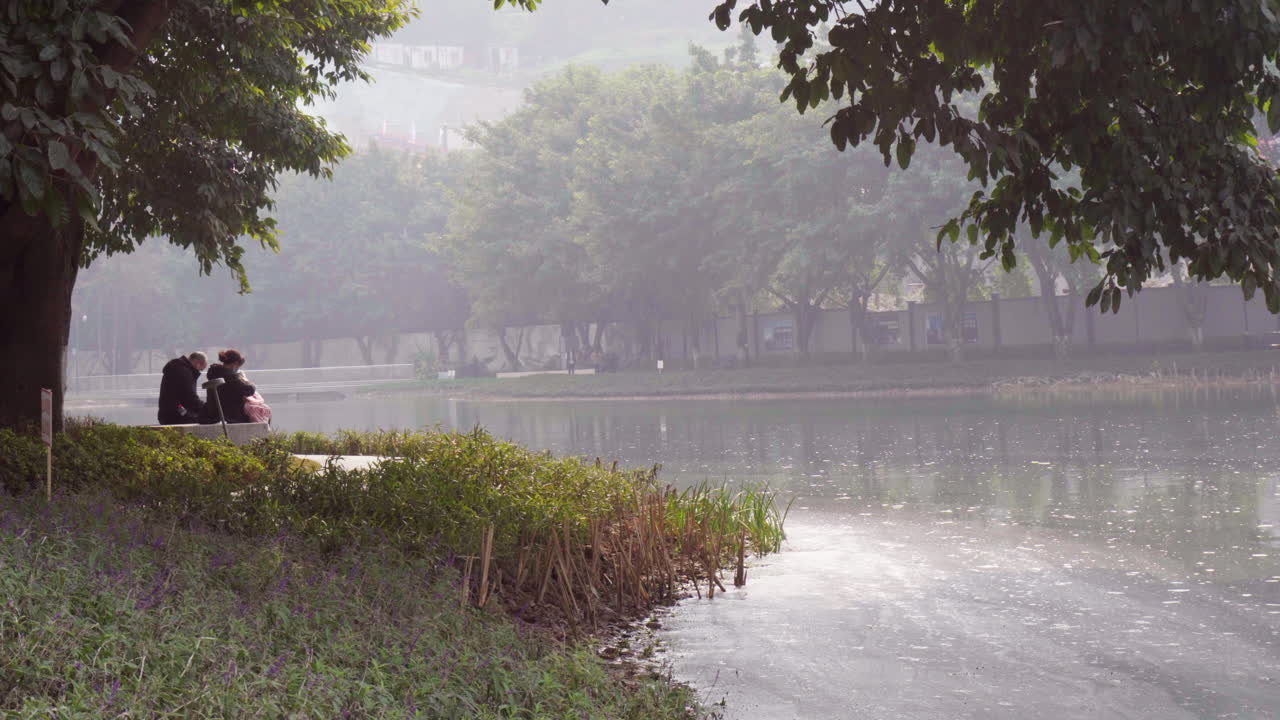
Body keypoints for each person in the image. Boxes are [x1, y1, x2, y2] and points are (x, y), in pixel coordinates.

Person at [201, 349, 258, 424]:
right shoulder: (229, 376)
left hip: (214, 414)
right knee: (258, 413)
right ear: (235, 364)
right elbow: (248, 390)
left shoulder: (215, 373)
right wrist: (246, 380)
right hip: (228, 416)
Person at [157, 351, 208, 425]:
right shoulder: (185, 373)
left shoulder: (176, 367)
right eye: (200, 369)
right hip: (177, 415)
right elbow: (190, 397)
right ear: (197, 363)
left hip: (166, 413)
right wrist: (206, 409)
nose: (198, 372)